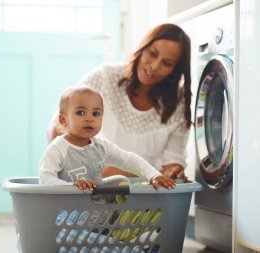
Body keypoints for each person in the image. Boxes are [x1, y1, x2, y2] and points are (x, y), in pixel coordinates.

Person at [47, 23, 191, 181]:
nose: (155, 66)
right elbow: (57, 127)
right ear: (142, 48)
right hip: (96, 185)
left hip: (147, 190)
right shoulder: (105, 77)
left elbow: (172, 160)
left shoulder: (178, 103)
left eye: (167, 63)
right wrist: (80, 170)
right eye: (152, 53)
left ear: (175, 70)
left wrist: (174, 171)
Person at [39, 86, 176, 191]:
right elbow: (45, 180)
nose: (89, 118)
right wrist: (72, 186)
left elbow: (128, 159)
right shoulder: (58, 149)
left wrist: (153, 175)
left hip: (96, 213)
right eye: (80, 112)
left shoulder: (101, 147)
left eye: (96, 113)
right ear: (63, 120)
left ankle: (116, 219)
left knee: (120, 181)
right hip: (65, 214)